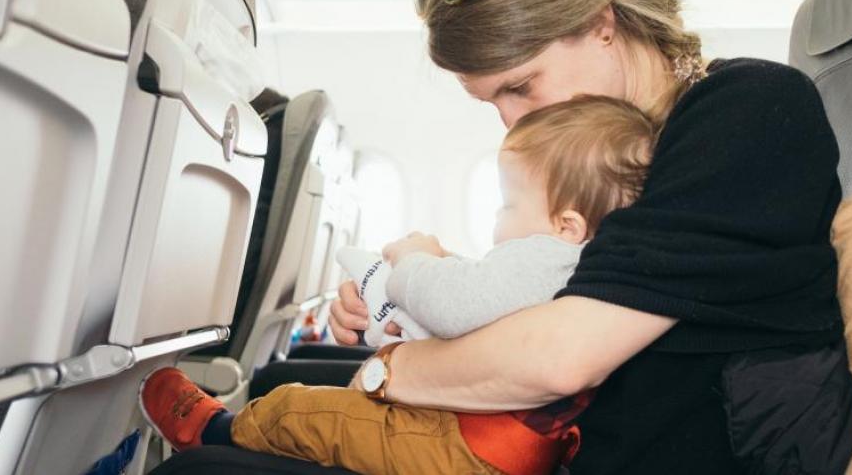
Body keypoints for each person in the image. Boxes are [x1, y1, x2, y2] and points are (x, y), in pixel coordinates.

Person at [321, 0, 852, 473]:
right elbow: (568, 289)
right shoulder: (598, 153)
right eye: (492, 102)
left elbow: (558, 359)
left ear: (601, 26)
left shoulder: (749, 109)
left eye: (521, 85)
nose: (512, 121)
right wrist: (411, 299)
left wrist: (390, 369)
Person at [141, 96, 658, 475]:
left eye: (508, 206)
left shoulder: (548, 256)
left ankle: (217, 431)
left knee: (307, 409)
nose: (499, 222)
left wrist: (415, 260)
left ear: (567, 224)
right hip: (494, 446)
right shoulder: (584, 263)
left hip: (464, 449)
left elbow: (455, 306)